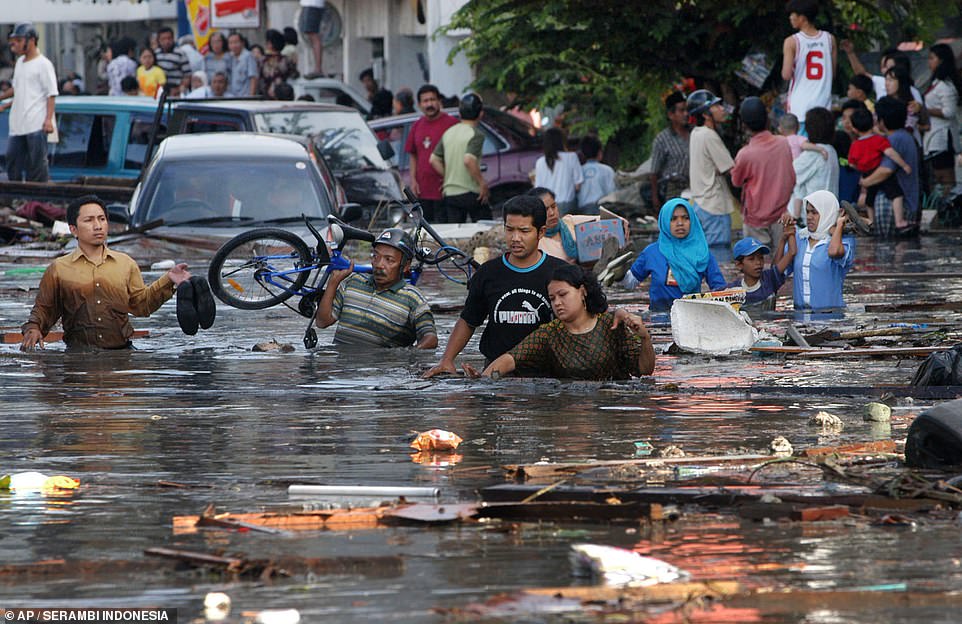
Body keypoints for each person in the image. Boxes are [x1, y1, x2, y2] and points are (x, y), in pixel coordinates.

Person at [20, 195, 192, 351]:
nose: (97, 226)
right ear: (73, 230)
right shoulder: (59, 269)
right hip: (78, 357)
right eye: (89, 220)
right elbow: (44, 309)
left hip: (122, 355)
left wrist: (168, 280)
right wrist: (34, 329)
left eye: (102, 219)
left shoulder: (126, 264)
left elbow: (141, 305)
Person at [423, 195, 568, 377]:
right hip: (494, 372)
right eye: (509, 230)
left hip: (545, 373)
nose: (515, 238)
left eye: (524, 231)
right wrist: (447, 360)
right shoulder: (488, 273)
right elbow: (469, 320)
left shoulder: (560, 273)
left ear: (540, 232)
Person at [469, 265, 655, 380]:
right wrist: (484, 379)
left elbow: (645, 371)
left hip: (614, 408)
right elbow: (510, 359)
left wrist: (645, 338)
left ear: (582, 291)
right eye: (552, 298)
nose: (557, 302)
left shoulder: (611, 325)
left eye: (563, 295)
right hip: (569, 408)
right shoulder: (549, 333)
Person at [315, 228, 438, 349]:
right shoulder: (353, 282)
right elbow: (322, 322)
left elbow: (430, 339)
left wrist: (408, 355)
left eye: (389, 260)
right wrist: (333, 283)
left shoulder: (413, 298)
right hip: (341, 366)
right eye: (375, 256)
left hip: (381, 367)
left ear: (406, 265)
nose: (379, 265)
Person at [621, 198, 727, 312]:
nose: (680, 223)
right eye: (673, 219)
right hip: (658, 316)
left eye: (686, 218)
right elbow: (629, 283)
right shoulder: (652, 252)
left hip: (691, 317)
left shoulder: (702, 253)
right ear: (665, 221)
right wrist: (619, 269)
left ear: (693, 221)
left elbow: (719, 290)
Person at [730, 97, 795, 248]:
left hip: (756, 218)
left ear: (744, 125)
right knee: (781, 264)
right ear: (767, 120)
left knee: (757, 265)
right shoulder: (783, 143)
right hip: (781, 213)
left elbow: (736, 181)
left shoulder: (745, 154)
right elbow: (790, 177)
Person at [0, 23, 57, 183]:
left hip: (36, 123)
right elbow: (19, 90)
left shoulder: (43, 64)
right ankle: (15, 199)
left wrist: (48, 119)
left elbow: (51, 94)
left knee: (37, 165)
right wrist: (4, 102)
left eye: (18, 40)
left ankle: (36, 201)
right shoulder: (20, 63)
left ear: (31, 41)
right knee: (13, 160)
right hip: (18, 123)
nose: (15, 45)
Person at [859, 96, 921, 236]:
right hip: (907, 201)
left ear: (882, 121)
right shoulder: (904, 136)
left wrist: (865, 182)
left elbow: (885, 170)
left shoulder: (895, 139)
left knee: (887, 247)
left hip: (894, 204)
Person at [787, 190, 854, 311]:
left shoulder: (844, 240)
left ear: (828, 213)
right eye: (807, 212)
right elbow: (778, 270)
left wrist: (839, 225)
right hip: (800, 315)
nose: (809, 217)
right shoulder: (800, 238)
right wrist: (784, 238)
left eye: (814, 212)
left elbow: (834, 252)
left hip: (831, 316)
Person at [848, 107, 912, 228]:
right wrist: (904, 165)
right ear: (873, 123)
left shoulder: (855, 145)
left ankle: (872, 223)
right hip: (879, 172)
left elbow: (852, 163)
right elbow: (890, 153)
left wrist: (861, 170)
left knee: (869, 201)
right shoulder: (879, 139)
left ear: (855, 129)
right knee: (896, 195)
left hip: (866, 174)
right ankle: (899, 221)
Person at [686, 89, 736, 247]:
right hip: (715, 206)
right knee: (719, 256)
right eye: (716, 106)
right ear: (706, 114)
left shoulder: (696, 133)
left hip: (701, 204)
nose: (721, 109)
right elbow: (730, 169)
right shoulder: (709, 135)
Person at [530, 187, 629, 265]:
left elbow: (604, 219)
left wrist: (621, 221)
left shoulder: (569, 221)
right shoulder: (535, 240)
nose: (552, 213)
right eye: (546, 209)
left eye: (553, 206)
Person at [431, 93, 490, 223]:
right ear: (480, 113)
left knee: (456, 233)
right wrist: (482, 183)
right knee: (484, 228)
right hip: (471, 192)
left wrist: (449, 176)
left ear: (460, 113)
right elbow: (469, 160)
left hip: (450, 193)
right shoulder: (476, 134)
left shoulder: (449, 133)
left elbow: (434, 159)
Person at [404, 84, 458, 222]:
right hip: (423, 191)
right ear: (419, 104)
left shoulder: (452, 124)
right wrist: (413, 180)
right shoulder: (416, 126)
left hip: (445, 191)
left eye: (432, 100)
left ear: (439, 101)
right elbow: (413, 155)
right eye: (425, 101)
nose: (429, 104)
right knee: (426, 233)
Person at [781, 0, 835, 125]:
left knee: (801, 143)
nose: (790, 18)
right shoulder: (830, 39)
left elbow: (786, 75)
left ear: (802, 18)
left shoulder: (791, 41)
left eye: (792, 15)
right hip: (823, 105)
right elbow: (832, 72)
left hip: (800, 106)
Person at [922, 43, 961, 187]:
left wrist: (925, 109)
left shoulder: (945, 86)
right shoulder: (936, 83)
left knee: (945, 177)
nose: (929, 62)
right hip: (933, 136)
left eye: (932, 58)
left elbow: (948, 111)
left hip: (943, 137)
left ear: (941, 61)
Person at [727, 234, 796, 312]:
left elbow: (792, 252)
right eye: (751, 259)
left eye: (761, 258)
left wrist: (786, 236)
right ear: (739, 265)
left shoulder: (769, 279)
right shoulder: (732, 290)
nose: (758, 262)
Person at [791, 107, 839, 219]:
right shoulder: (831, 150)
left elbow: (789, 175)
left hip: (812, 217)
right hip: (829, 214)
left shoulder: (814, 154)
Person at [841, 42, 923, 103]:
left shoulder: (913, 93)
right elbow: (862, 75)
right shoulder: (881, 82)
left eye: (887, 67)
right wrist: (850, 53)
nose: (883, 70)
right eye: (883, 67)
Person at [649, 91, 690, 208]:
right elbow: (654, 173)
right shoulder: (662, 139)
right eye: (681, 110)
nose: (686, 114)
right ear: (671, 115)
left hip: (695, 189)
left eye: (687, 110)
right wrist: (655, 198)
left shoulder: (695, 133)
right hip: (673, 190)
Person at [534, 127, 583, 215]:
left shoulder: (540, 162)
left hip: (547, 207)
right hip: (567, 205)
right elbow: (578, 186)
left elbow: (538, 189)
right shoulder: (571, 157)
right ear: (562, 141)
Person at [885, 65, 926, 144]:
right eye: (886, 80)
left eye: (890, 80)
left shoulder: (911, 104)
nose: (886, 84)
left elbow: (908, 128)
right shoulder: (884, 103)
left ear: (901, 82)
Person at [577, 135, 616, 213]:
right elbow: (612, 193)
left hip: (582, 212)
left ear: (583, 153)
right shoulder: (607, 170)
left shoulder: (578, 171)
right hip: (603, 209)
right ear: (599, 152)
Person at [259, 29, 297, 97]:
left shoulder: (262, 60)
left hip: (265, 95)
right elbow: (294, 74)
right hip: (282, 95)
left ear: (270, 44)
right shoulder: (286, 59)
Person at [154, 27, 190, 96]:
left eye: (169, 38)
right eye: (163, 39)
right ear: (159, 40)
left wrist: (179, 89)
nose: (167, 41)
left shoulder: (180, 53)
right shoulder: (156, 54)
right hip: (159, 91)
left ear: (173, 39)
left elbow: (187, 75)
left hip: (175, 92)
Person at [299, 0, 326, 77]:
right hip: (309, 4)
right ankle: (317, 68)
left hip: (312, 4)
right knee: (311, 35)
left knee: (313, 35)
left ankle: (318, 68)